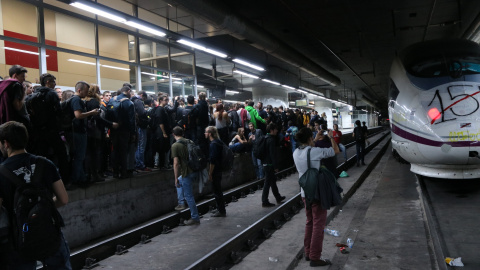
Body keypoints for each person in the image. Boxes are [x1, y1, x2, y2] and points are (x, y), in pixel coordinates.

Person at [0, 121, 71, 269]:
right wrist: (40, 209)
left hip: (18, 239)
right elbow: (63, 199)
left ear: (6, 143)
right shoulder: (45, 163)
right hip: (48, 231)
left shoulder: (1, 172)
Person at [293, 127, 338, 267]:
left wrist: (315, 138)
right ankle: (315, 257)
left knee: (310, 222)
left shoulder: (296, 152)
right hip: (317, 192)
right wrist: (330, 137)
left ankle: (308, 253)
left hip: (304, 192)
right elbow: (335, 150)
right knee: (319, 224)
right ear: (309, 138)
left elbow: (309, 148)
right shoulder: (315, 152)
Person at [70, 81, 100, 189]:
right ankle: (76, 180)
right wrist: (92, 112)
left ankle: (82, 178)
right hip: (78, 132)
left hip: (77, 131)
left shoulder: (74, 100)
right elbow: (78, 115)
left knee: (80, 157)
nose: (87, 94)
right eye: (86, 91)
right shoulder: (76, 100)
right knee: (79, 157)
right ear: (79, 90)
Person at [171, 126, 200, 225]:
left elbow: (176, 164)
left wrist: (175, 178)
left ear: (173, 134)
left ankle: (195, 217)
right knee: (180, 181)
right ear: (182, 133)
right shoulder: (190, 141)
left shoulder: (175, 146)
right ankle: (181, 203)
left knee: (189, 195)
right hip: (196, 169)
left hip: (187, 172)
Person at [110, 86, 136, 178]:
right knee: (123, 151)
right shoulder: (129, 103)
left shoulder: (112, 100)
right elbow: (132, 120)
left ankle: (115, 172)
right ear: (128, 91)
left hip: (113, 129)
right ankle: (123, 172)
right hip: (125, 130)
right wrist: (133, 133)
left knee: (115, 150)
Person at [261, 123, 286, 207]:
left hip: (265, 163)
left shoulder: (265, 138)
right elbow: (272, 154)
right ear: (271, 130)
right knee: (267, 183)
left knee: (272, 181)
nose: (277, 130)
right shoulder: (271, 140)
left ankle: (278, 197)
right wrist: (275, 166)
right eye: (275, 129)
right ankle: (264, 201)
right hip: (269, 164)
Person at [206, 126, 226, 217]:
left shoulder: (213, 144)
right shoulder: (219, 142)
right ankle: (220, 208)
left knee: (217, 191)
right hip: (220, 168)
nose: (205, 134)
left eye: (206, 132)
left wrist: (210, 173)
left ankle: (221, 211)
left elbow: (212, 160)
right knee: (218, 190)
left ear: (210, 133)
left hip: (215, 170)